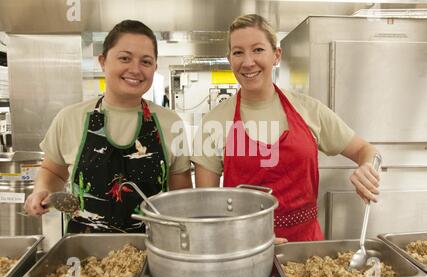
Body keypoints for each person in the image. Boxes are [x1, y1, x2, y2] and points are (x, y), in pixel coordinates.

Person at [191, 14, 380, 242]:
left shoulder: (309, 110)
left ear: (276, 55)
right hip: (243, 249)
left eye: (258, 50)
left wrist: (367, 166)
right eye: (238, 52)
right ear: (230, 59)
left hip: (305, 252)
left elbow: (366, 150)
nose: (248, 61)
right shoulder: (215, 122)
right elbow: (205, 207)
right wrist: (243, 237)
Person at [24, 20, 192, 233]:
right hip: (86, 254)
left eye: (146, 62)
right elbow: (53, 171)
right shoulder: (70, 118)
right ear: (103, 61)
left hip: (156, 249)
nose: (135, 69)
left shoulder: (170, 122)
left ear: (154, 68)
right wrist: (42, 190)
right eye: (124, 58)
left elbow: (182, 196)